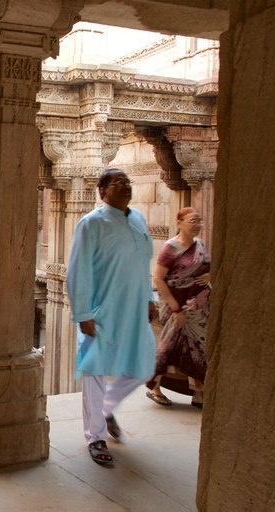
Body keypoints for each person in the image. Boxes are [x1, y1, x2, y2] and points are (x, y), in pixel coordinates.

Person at [66, 168, 156, 466]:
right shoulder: (91, 223)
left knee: (143, 366)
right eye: (118, 183)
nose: (125, 187)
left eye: (127, 182)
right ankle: (96, 436)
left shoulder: (138, 219)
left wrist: (149, 297)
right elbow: (77, 270)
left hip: (133, 308)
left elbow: (144, 263)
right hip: (101, 308)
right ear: (102, 191)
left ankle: (106, 408)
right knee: (95, 372)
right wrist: (83, 314)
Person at [146, 207, 211, 409]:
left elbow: (208, 268)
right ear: (179, 222)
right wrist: (176, 309)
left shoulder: (200, 245)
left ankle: (199, 393)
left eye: (199, 220)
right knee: (168, 347)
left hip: (199, 306)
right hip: (177, 305)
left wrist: (210, 276)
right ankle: (153, 387)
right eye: (192, 220)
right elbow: (158, 278)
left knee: (200, 349)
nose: (197, 224)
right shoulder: (170, 248)